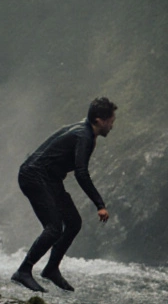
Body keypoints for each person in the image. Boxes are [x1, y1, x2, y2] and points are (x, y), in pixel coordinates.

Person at [10, 97, 117, 293]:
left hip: (49, 179)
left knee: (73, 222)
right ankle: (23, 271)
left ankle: (51, 269)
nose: (112, 126)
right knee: (53, 227)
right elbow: (81, 173)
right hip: (34, 176)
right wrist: (99, 204)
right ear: (99, 120)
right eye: (111, 121)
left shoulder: (84, 131)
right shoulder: (83, 136)